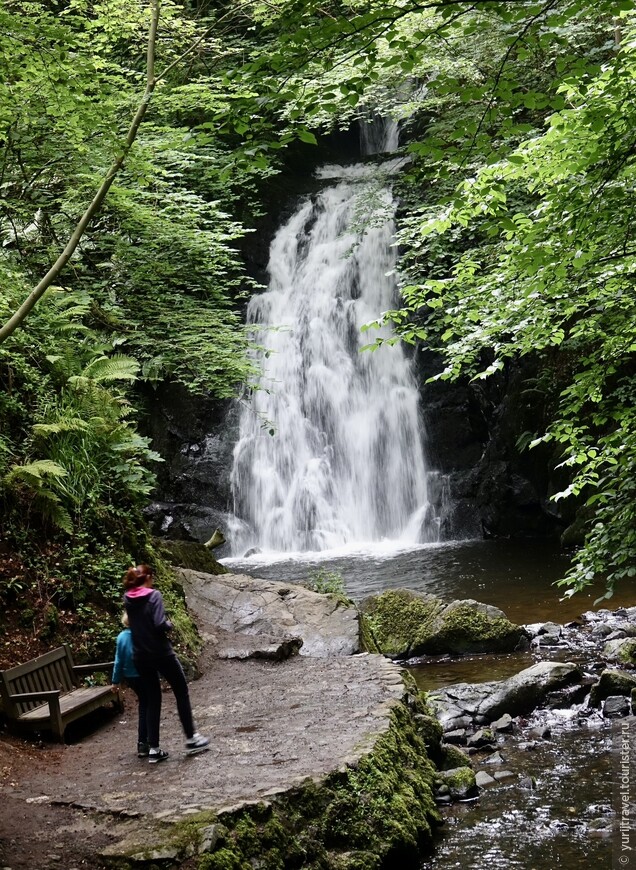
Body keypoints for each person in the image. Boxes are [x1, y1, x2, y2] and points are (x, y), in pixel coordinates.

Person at [123, 563, 209, 764]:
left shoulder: (128, 598)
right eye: (152, 577)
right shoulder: (154, 596)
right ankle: (191, 739)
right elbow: (159, 624)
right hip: (160, 653)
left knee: (153, 699)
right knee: (181, 690)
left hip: (140, 656)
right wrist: (170, 624)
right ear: (148, 578)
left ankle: (154, 749)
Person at [111, 613, 149, 757]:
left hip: (130, 677)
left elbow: (118, 661)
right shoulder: (141, 635)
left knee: (144, 704)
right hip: (143, 675)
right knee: (147, 706)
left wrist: (115, 681)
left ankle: (143, 743)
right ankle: (145, 742)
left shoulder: (121, 637)